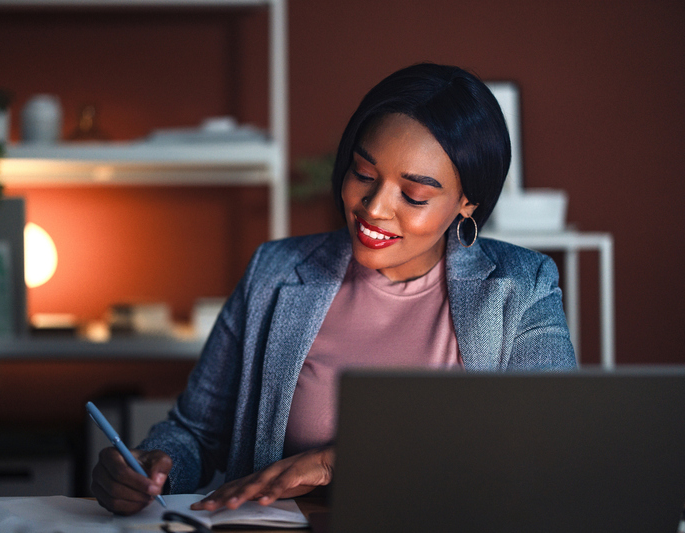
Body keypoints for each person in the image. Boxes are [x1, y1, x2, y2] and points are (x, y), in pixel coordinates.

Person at [91, 62, 577, 515]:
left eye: (414, 195)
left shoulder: (521, 287)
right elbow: (195, 432)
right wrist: (153, 467)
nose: (375, 207)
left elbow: (549, 444)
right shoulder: (275, 272)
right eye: (363, 174)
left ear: (467, 203)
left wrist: (334, 462)